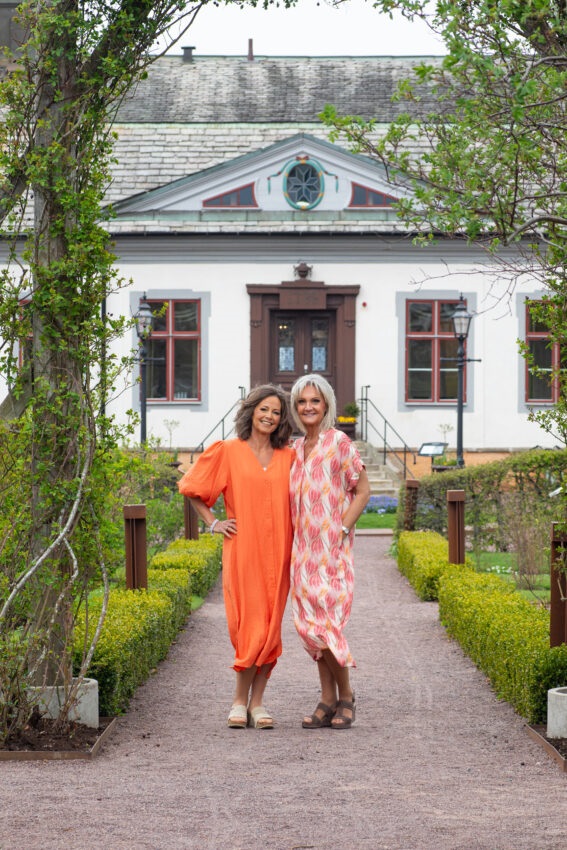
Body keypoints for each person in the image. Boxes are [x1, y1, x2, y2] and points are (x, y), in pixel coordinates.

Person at [178, 384, 294, 730]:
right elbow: (192, 488)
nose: (269, 416)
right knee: (248, 626)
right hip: (244, 550)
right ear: (251, 411)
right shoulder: (228, 451)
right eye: (264, 409)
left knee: (271, 628)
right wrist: (213, 523)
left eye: (276, 412)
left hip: (280, 552)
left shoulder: (289, 456)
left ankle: (256, 704)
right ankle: (239, 700)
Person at [289, 374, 371, 730]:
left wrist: (341, 529)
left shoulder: (339, 442)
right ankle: (327, 699)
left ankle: (346, 696)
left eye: (315, 401)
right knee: (310, 629)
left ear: (326, 405)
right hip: (301, 556)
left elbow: (362, 491)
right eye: (302, 401)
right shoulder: (294, 449)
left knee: (327, 626)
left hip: (331, 553)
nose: (308, 407)